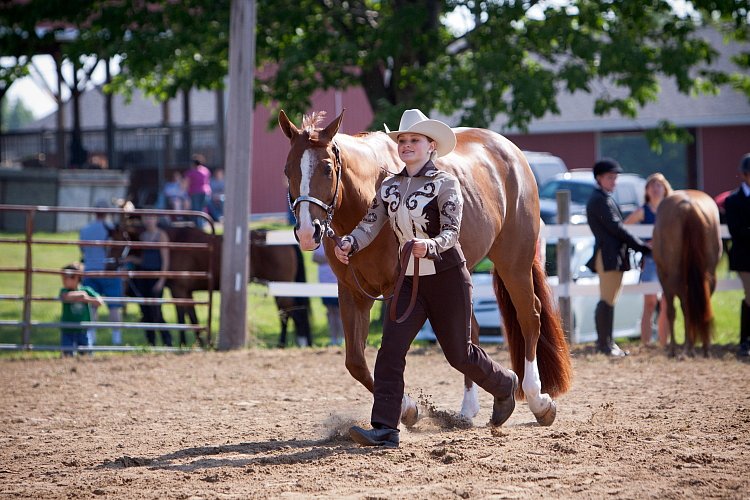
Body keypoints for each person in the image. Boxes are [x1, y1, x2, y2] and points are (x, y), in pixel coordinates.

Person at [334, 109, 518, 448]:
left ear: (431, 146)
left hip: (447, 278)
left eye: (414, 140)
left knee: (458, 354)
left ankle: (505, 384)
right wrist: (349, 242)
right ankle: (386, 429)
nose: (406, 145)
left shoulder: (445, 184)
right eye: (402, 140)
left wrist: (429, 244)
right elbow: (370, 224)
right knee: (389, 351)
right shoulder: (389, 187)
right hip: (408, 281)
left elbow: (451, 232)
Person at [585, 158, 651, 357]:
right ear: (599, 178)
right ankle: (605, 344)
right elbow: (616, 228)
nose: (614, 181)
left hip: (612, 255)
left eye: (615, 178)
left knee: (609, 299)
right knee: (607, 299)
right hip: (608, 255)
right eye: (609, 177)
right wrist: (641, 246)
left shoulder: (604, 198)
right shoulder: (599, 200)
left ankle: (606, 342)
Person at [624, 173, 673, 347]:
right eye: (651, 185)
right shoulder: (642, 211)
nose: (655, 188)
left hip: (669, 261)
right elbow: (624, 228)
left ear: (665, 188)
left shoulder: (671, 209)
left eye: (659, 184)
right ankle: (646, 344)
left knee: (667, 303)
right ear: (647, 190)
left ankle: (664, 342)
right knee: (650, 303)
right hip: (650, 261)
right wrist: (642, 243)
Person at [79, 199, 124, 345]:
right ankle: (116, 340)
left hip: (90, 271)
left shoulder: (85, 230)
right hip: (110, 272)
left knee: (92, 307)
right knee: (114, 307)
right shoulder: (114, 230)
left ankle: (91, 338)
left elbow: (82, 250)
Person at [128, 214, 172, 347]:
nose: (148, 220)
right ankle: (151, 342)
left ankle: (167, 340)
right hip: (143, 276)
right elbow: (144, 259)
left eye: (151, 217)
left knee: (156, 311)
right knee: (145, 310)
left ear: (156, 219)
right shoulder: (142, 237)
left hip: (155, 276)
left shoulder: (161, 236)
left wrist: (161, 280)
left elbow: (165, 260)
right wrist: (131, 259)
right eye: (146, 217)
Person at [724, 153, 750, 357]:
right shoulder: (733, 200)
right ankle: (745, 341)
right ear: (744, 175)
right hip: (744, 256)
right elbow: (736, 230)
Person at [59, 262, 104, 356]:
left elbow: (99, 301)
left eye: (65, 278)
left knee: (86, 353)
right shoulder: (65, 290)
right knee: (67, 353)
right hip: (68, 329)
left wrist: (87, 299)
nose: (63, 281)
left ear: (76, 278)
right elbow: (65, 297)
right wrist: (81, 295)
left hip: (83, 329)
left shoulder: (86, 290)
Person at [313, 245, 344, 346]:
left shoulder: (339, 241)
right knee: (330, 311)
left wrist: (326, 258)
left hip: (337, 281)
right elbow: (315, 258)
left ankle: (342, 337)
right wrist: (331, 258)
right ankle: (333, 337)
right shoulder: (321, 243)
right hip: (324, 281)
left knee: (339, 311)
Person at [184, 154, 212, 229]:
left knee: (196, 211)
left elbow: (186, 184)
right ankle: (202, 225)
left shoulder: (190, 172)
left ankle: (199, 227)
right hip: (206, 192)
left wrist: (186, 194)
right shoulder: (206, 171)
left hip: (195, 193)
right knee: (202, 210)